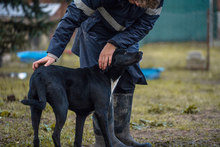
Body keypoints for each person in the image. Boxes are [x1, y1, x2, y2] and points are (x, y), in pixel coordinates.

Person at [33, 0, 164, 146]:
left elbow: (144, 25)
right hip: (96, 28)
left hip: (127, 33)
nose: (139, 6)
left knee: (128, 76)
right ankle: (104, 139)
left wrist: (115, 43)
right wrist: (53, 52)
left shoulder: (155, 1)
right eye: (138, 0)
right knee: (97, 82)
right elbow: (73, 15)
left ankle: (121, 135)